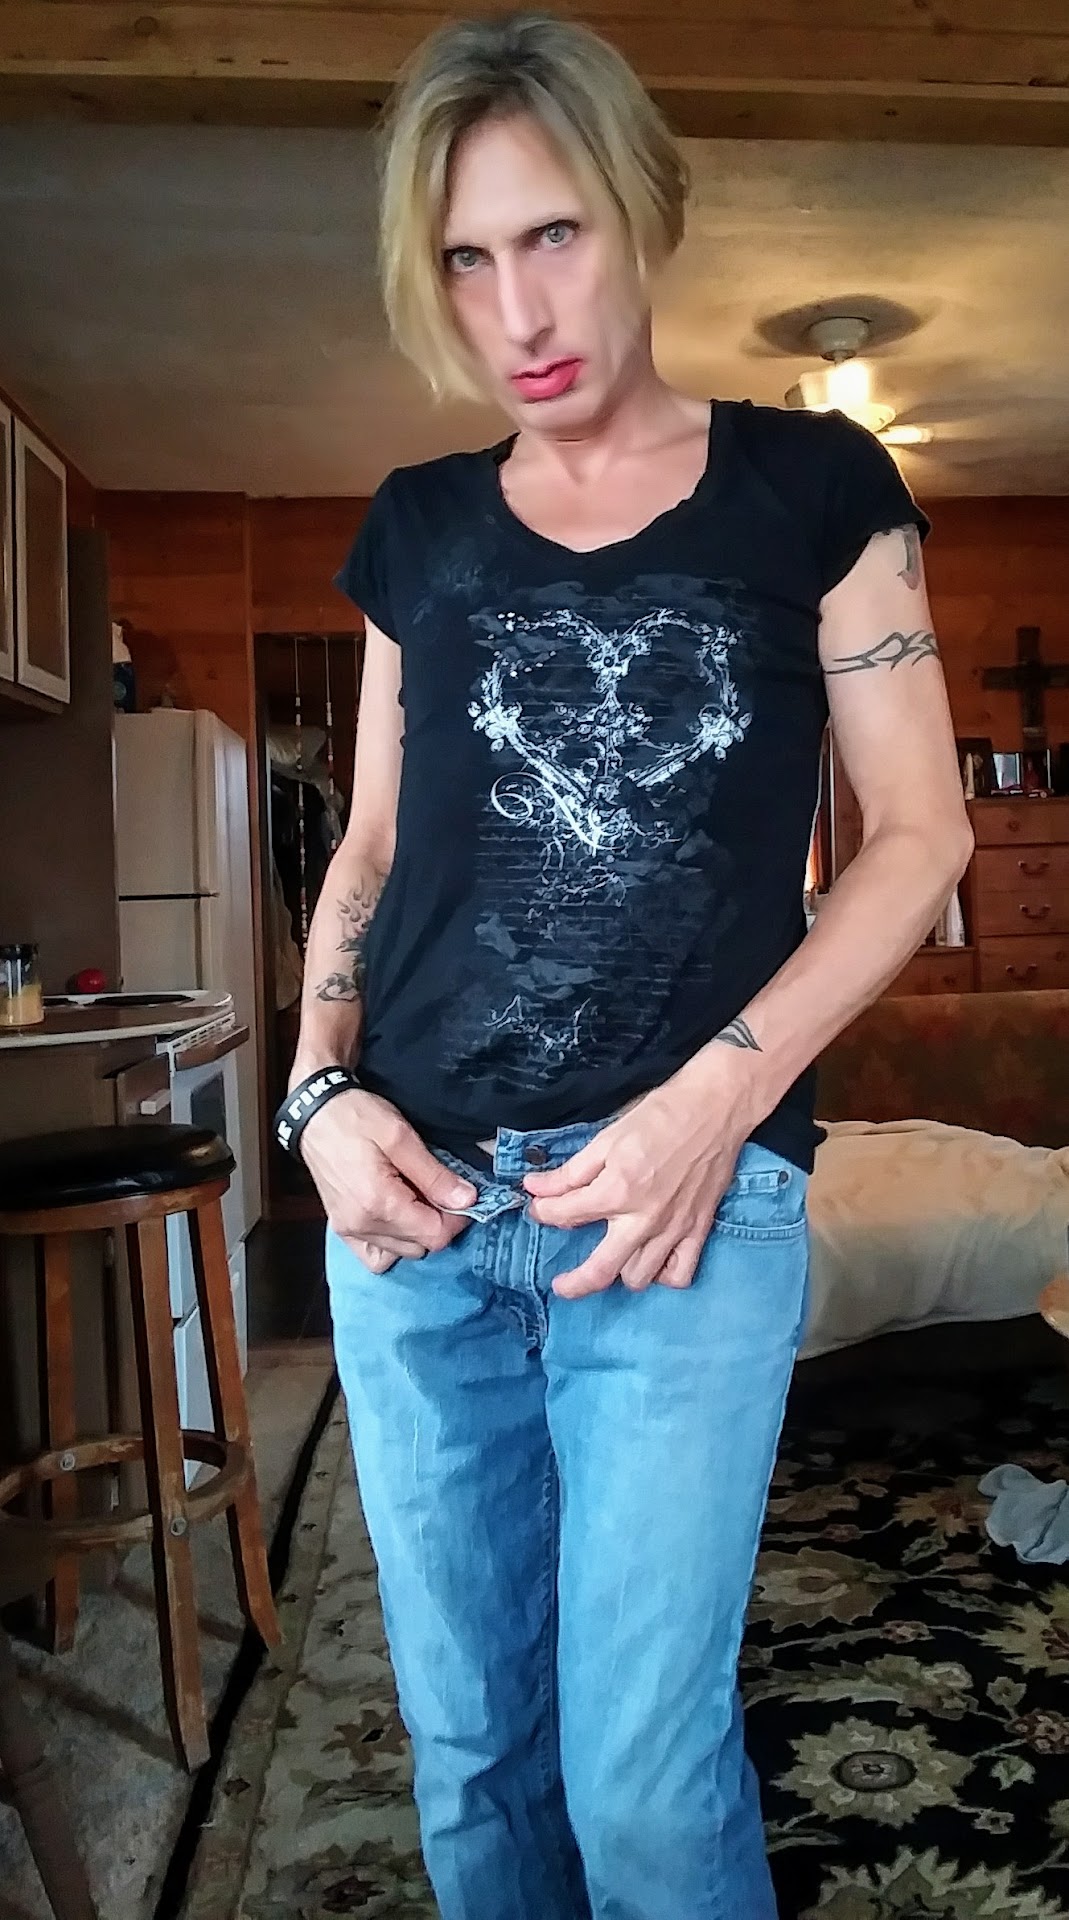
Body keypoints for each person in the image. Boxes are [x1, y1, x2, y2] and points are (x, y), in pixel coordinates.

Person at [275, 13, 974, 1917]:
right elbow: (372, 853)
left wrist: (710, 1108)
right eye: (464, 258)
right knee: (472, 1758)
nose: (517, 309)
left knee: (644, 1782)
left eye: (554, 234)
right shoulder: (416, 529)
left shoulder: (815, 492)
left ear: (642, 215)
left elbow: (920, 838)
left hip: (678, 1214)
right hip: (414, 1216)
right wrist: (316, 1097)